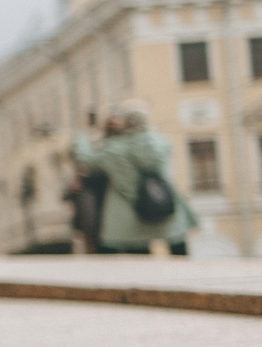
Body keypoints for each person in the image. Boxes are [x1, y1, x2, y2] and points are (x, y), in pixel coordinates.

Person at [72, 101, 195, 257]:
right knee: (179, 250)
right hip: (164, 203)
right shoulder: (160, 142)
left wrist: (84, 134)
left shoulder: (114, 148)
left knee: (138, 255)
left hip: (128, 213)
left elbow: (85, 158)